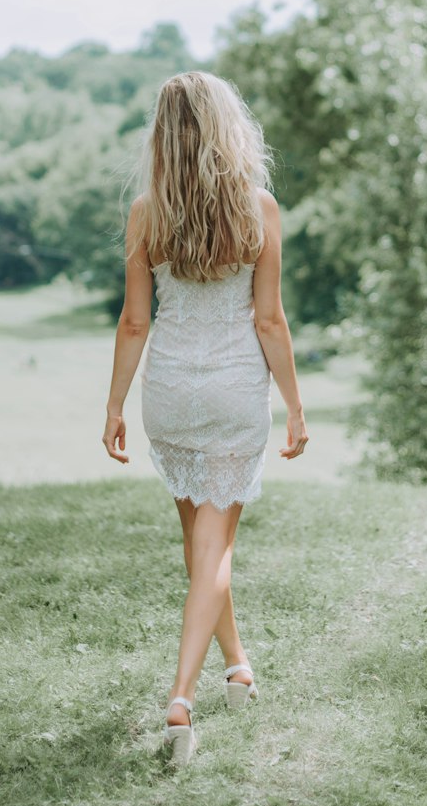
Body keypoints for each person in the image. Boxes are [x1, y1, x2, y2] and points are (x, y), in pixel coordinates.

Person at [102, 70, 309, 768]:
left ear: (162, 136)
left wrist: (114, 407)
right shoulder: (259, 209)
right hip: (231, 394)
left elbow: (136, 322)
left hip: (168, 393)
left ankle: (240, 667)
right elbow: (270, 319)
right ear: (228, 129)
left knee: (201, 547)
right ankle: (181, 700)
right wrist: (295, 407)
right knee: (215, 553)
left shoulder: (145, 214)